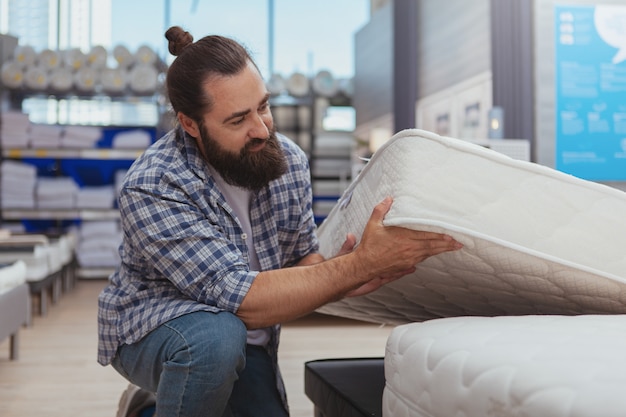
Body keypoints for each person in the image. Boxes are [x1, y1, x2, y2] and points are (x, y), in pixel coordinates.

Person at [98, 26, 463, 417]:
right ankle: (151, 399)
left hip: (247, 337)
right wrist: (356, 266)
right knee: (216, 339)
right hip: (153, 325)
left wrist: (346, 272)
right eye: (238, 120)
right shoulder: (154, 184)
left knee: (231, 356)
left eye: (263, 106)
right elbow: (241, 301)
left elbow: (301, 259)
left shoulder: (287, 162)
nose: (261, 129)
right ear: (191, 125)